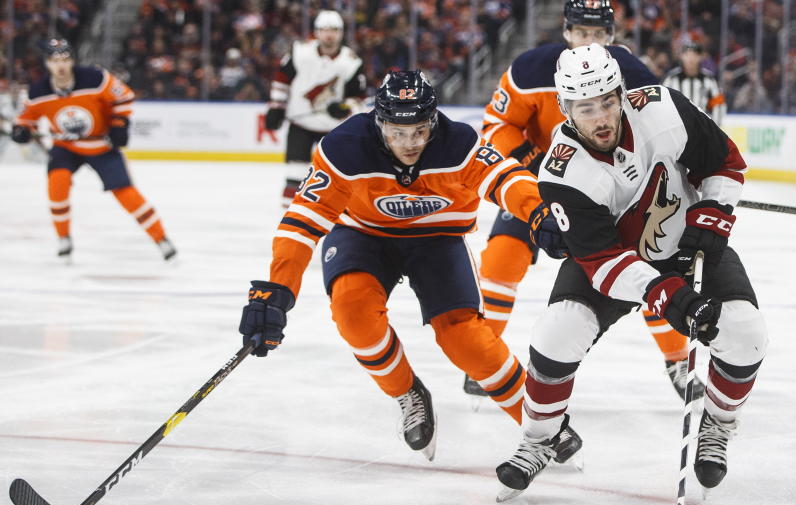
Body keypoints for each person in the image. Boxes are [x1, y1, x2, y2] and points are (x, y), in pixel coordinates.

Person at [239, 71, 581, 463]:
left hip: (437, 241)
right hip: (362, 236)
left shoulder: (459, 143)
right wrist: (276, 291)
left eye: (419, 131)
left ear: (433, 121)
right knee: (354, 315)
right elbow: (302, 221)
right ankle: (406, 392)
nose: (409, 144)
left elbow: (504, 178)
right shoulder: (344, 148)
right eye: (397, 133)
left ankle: (542, 423)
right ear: (378, 122)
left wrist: (537, 210)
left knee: (467, 341)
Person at [495, 44, 768, 501]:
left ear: (621, 92)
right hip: (615, 261)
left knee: (746, 332)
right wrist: (671, 295)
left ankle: (718, 424)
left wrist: (713, 215)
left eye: (607, 101)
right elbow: (604, 264)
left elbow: (724, 162)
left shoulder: (662, 109)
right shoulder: (561, 173)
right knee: (556, 334)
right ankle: (539, 441)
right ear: (564, 108)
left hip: (684, 242)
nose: (601, 117)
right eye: (586, 108)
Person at [475, 0, 698, 404]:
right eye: (581, 33)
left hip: (608, 197)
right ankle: (484, 355)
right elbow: (496, 124)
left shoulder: (631, 74)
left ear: (611, 36)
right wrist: (533, 164)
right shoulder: (530, 69)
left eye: (597, 34)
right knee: (501, 259)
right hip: (536, 188)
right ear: (566, 31)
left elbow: (659, 135)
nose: (589, 41)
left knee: (649, 264)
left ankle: (677, 359)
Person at [11, 38, 176, 262]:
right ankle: (63, 239)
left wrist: (119, 125)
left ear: (72, 61)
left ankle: (161, 238)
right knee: (57, 184)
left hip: (101, 145)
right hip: (66, 147)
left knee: (126, 193)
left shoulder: (95, 78)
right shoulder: (38, 91)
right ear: (47, 64)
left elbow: (124, 97)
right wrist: (21, 130)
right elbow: (25, 119)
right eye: (54, 60)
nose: (60, 65)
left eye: (65, 59)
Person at [265, 10, 367, 209]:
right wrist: (277, 106)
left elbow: (358, 97)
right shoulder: (299, 52)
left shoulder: (351, 61)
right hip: (300, 121)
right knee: (295, 169)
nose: (329, 35)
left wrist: (345, 107)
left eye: (334, 30)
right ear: (316, 32)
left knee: (337, 171)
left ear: (341, 32)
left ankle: (337, 211)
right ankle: (289, 212)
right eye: (324, 30)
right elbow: (282, 80)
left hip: (332, 126)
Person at [662, 40, 726, 124]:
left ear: (701, 57)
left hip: (702, 127)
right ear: (681, 56)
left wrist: (714, 127)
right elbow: (662, 103)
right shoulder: (671, 78)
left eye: (694, 55)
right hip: (676, 126)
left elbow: (718, 104)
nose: (690, 58)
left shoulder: (709, 79)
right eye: (687, 55)